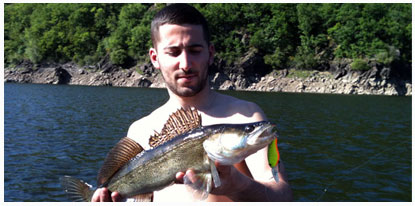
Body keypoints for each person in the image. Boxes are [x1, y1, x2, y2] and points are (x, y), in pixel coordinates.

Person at [92, 3, 292, 202]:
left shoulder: (245, 114)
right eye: (173, 52)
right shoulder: (140, 130)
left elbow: (283, 196)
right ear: (155, 57)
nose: (186, 64)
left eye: (195, 50)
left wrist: (237, 186)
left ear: (210, 53)